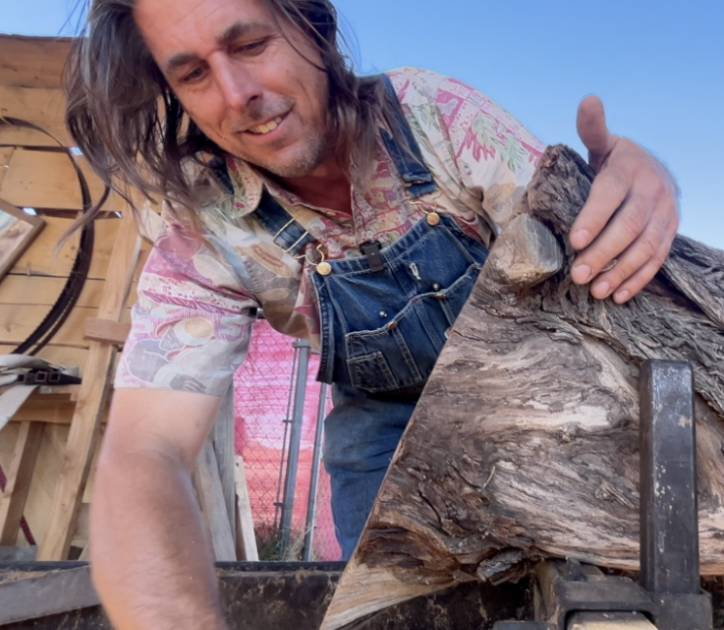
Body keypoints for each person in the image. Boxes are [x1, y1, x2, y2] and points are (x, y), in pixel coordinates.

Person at [65, 0, 679, 627]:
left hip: (540, 402)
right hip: (383, 432)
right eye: (193, 74)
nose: (236, 93)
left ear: (312, 27)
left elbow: (587, 249)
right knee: (392, 613)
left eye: (250, 45)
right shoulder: (203, 228)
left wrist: (635, 185)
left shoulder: (434, 116)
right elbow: (144, 451)